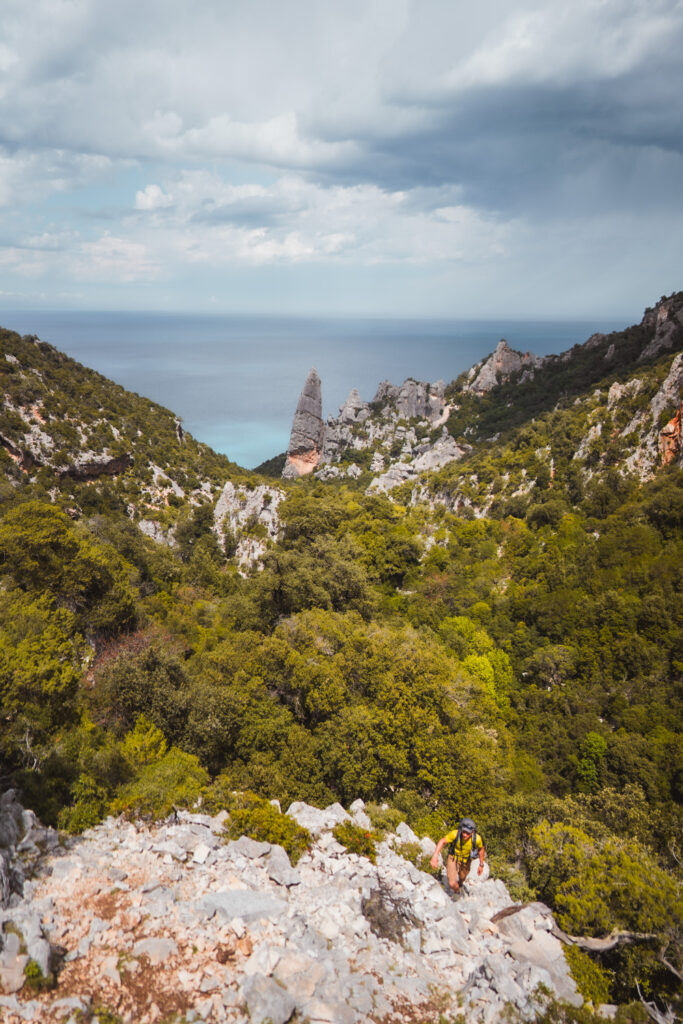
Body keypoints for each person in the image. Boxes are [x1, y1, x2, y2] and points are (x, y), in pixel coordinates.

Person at [430, 817, 485, 894]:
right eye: (464, 832)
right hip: (453, 858)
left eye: (467, 833)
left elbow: (481, 849)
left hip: (466, 861)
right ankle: (457, 892)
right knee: (452, 883)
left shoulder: (477, 839)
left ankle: (460, 884)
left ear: (472, 832)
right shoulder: (455, 834)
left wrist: (481, 865)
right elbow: (443, 841)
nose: (465, 835)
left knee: (462, 878)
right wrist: (435, 856)